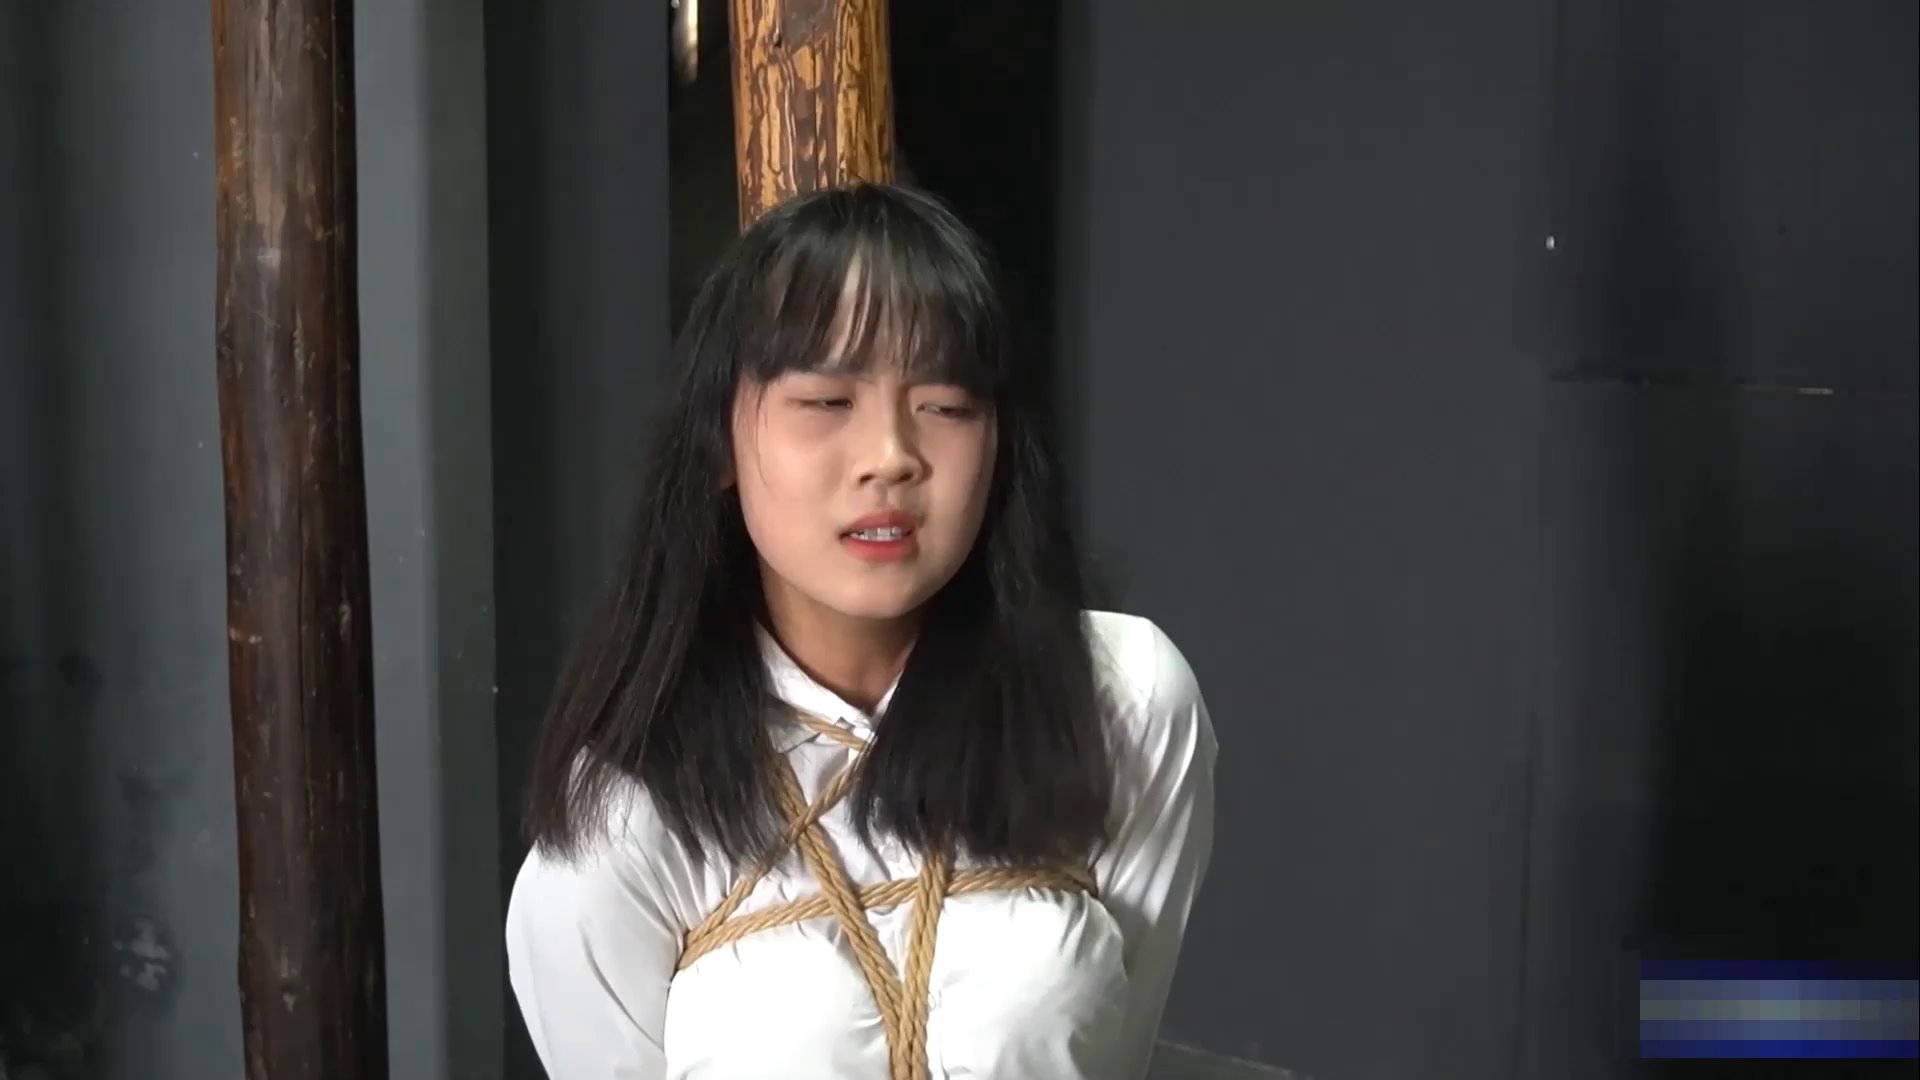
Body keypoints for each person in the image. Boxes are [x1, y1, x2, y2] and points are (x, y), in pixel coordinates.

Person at [504, 182, 1217, 1080]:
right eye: (826, 401)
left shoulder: (1120, 700)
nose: (891, 456)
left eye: (946, 405)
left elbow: (1118, 1047)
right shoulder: (626, 809)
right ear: (719, 443)